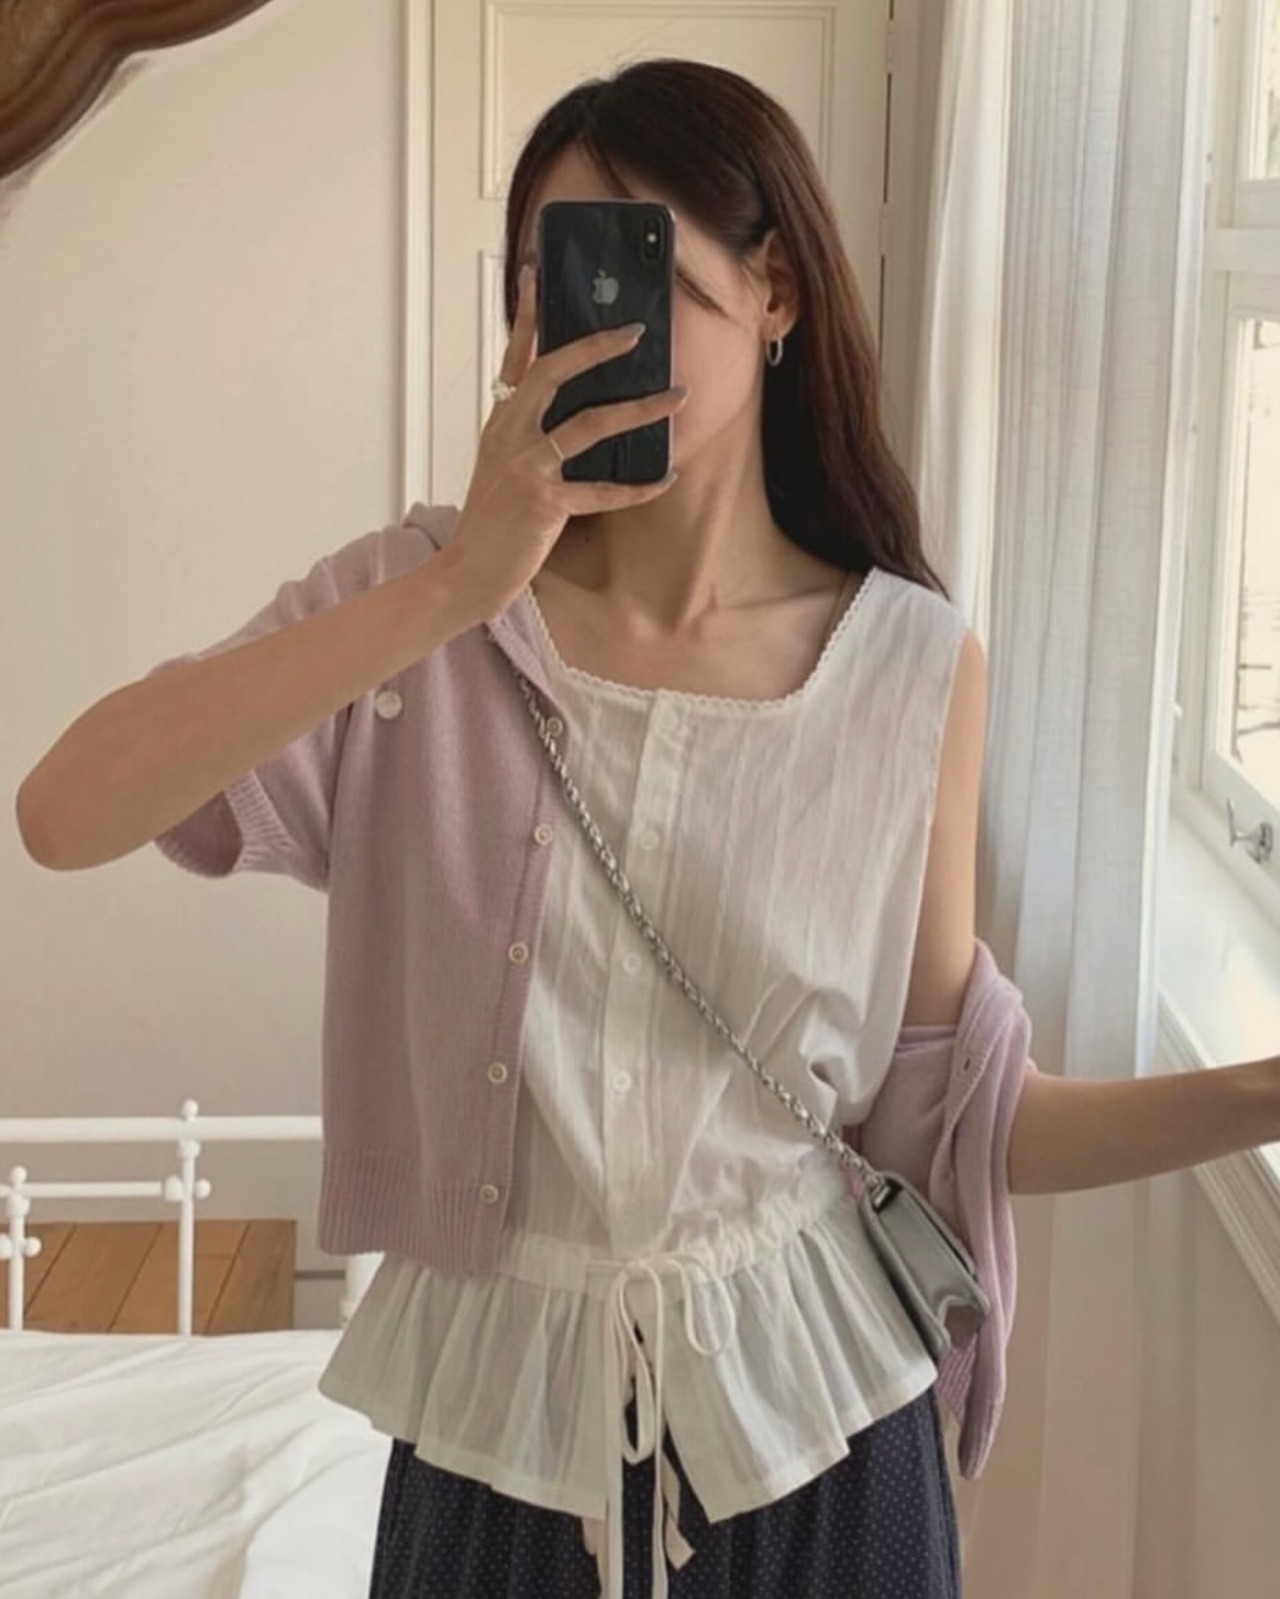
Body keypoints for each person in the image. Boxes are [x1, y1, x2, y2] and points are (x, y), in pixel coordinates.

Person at [17, 58, 979, 1598]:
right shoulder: (413, 612)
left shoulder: (910, 665)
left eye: (635, 272)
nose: (578, 327)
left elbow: (955, 1104)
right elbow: (65, 812)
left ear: (777, 289)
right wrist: (462, 584)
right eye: (545, 282)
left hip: (822, 1435)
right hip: (501, 1431)